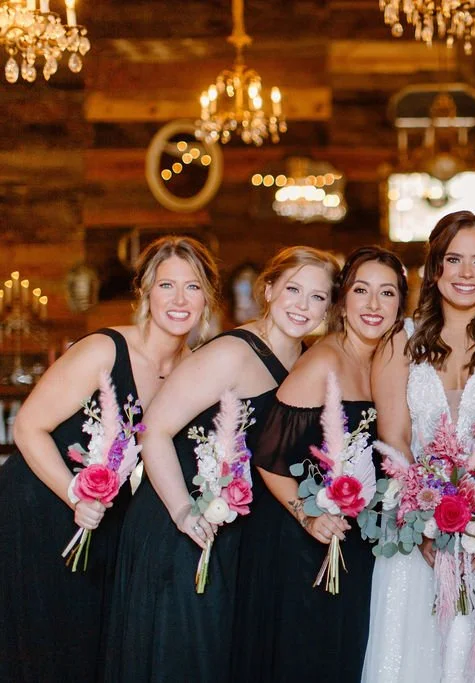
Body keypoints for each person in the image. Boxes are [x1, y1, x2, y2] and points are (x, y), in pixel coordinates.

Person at [104, 246, 339, 682]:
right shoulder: (233, 352)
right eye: (292, 289)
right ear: (267, 289)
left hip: (232, 534)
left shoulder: (306, 358)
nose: (303, 306)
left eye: (318, 297)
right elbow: (152, 431)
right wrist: (180, 511)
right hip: (179, 527)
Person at [0, 236, 218, 683]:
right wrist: (73, 493)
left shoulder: (195, 368)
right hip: (37, 503)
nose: (179, 300)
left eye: (192, 287)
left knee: (81, 644)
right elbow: (27, 427)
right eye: (166, 286)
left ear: (207, 298)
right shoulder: (105, 350)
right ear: (145, 293)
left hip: (101, 519)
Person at [363, 211, 475, 683]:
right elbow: (395, 440)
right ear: (435, 268)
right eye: (454, 260)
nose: (467, 274)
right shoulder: (397, 342)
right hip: (415, 527)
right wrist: (424, 518)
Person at [233, 246, 408, 682]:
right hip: (307, 546)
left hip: (360, 540)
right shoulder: (323, 362)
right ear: (343, 301)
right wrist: (308, 514)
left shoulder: (389, 360)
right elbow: (269, 457)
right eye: (361, 290)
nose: (373, 305)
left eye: (386, 293)